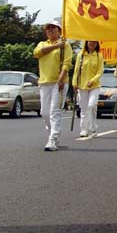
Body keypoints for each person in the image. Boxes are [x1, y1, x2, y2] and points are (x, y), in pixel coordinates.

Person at [33, 20, 73, 152]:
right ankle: (53, 132)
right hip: (44, 82)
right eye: (48, 28)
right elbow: (37, 53)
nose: (50, 30)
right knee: (44, 113)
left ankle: (53, 139)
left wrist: (61, 80)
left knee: (54, 111)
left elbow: (67, 64)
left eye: (53, 28)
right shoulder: (42, 44)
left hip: (59, 82)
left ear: (59, 31)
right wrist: (57, 46)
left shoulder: (66, 45)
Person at [72, 40, 104, 137]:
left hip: (94, 85)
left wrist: (93, 80)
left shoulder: (98, 56)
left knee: (91, 105)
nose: (92, 44)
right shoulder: (81, 55)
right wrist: (74, 83)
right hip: (82, 85)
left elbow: (100, 71)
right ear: (86, 42)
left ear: (97, 44)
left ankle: (93, 127)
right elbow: (76, 70)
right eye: (90, 41)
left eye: (94, 42)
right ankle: (84, 129)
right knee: (84, 108)